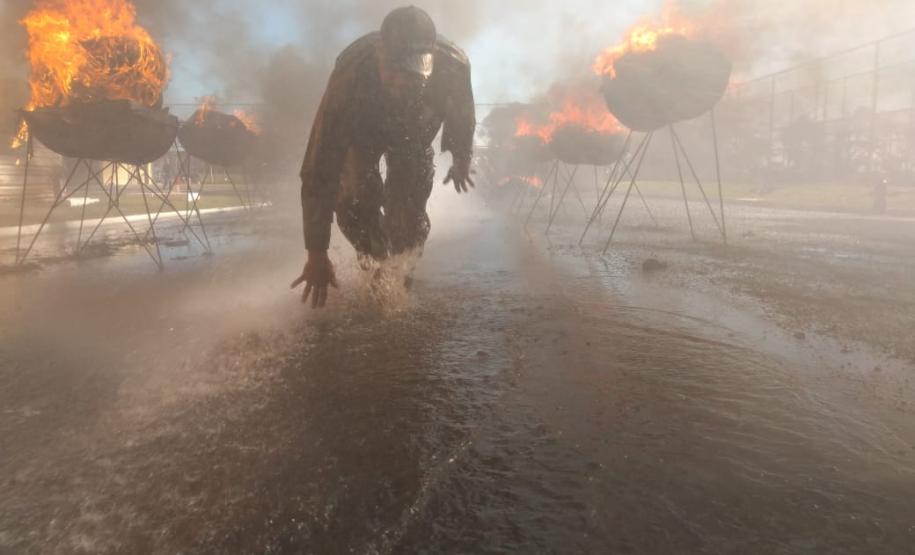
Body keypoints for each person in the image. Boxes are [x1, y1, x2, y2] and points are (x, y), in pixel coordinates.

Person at [290, 6, 476, 308]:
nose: (402, 81)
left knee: (408, 218)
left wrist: (461, 157)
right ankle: (376, 263)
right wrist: (316, 252)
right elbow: (320, 164)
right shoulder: (350, 74)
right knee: (352, 201)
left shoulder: (453, 65)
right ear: (379, 51)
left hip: (414, 133)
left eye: (412, 72)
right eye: (393, 69)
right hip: (363, 131)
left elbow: (463, 114)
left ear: (430, 58)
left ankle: (399, 276)